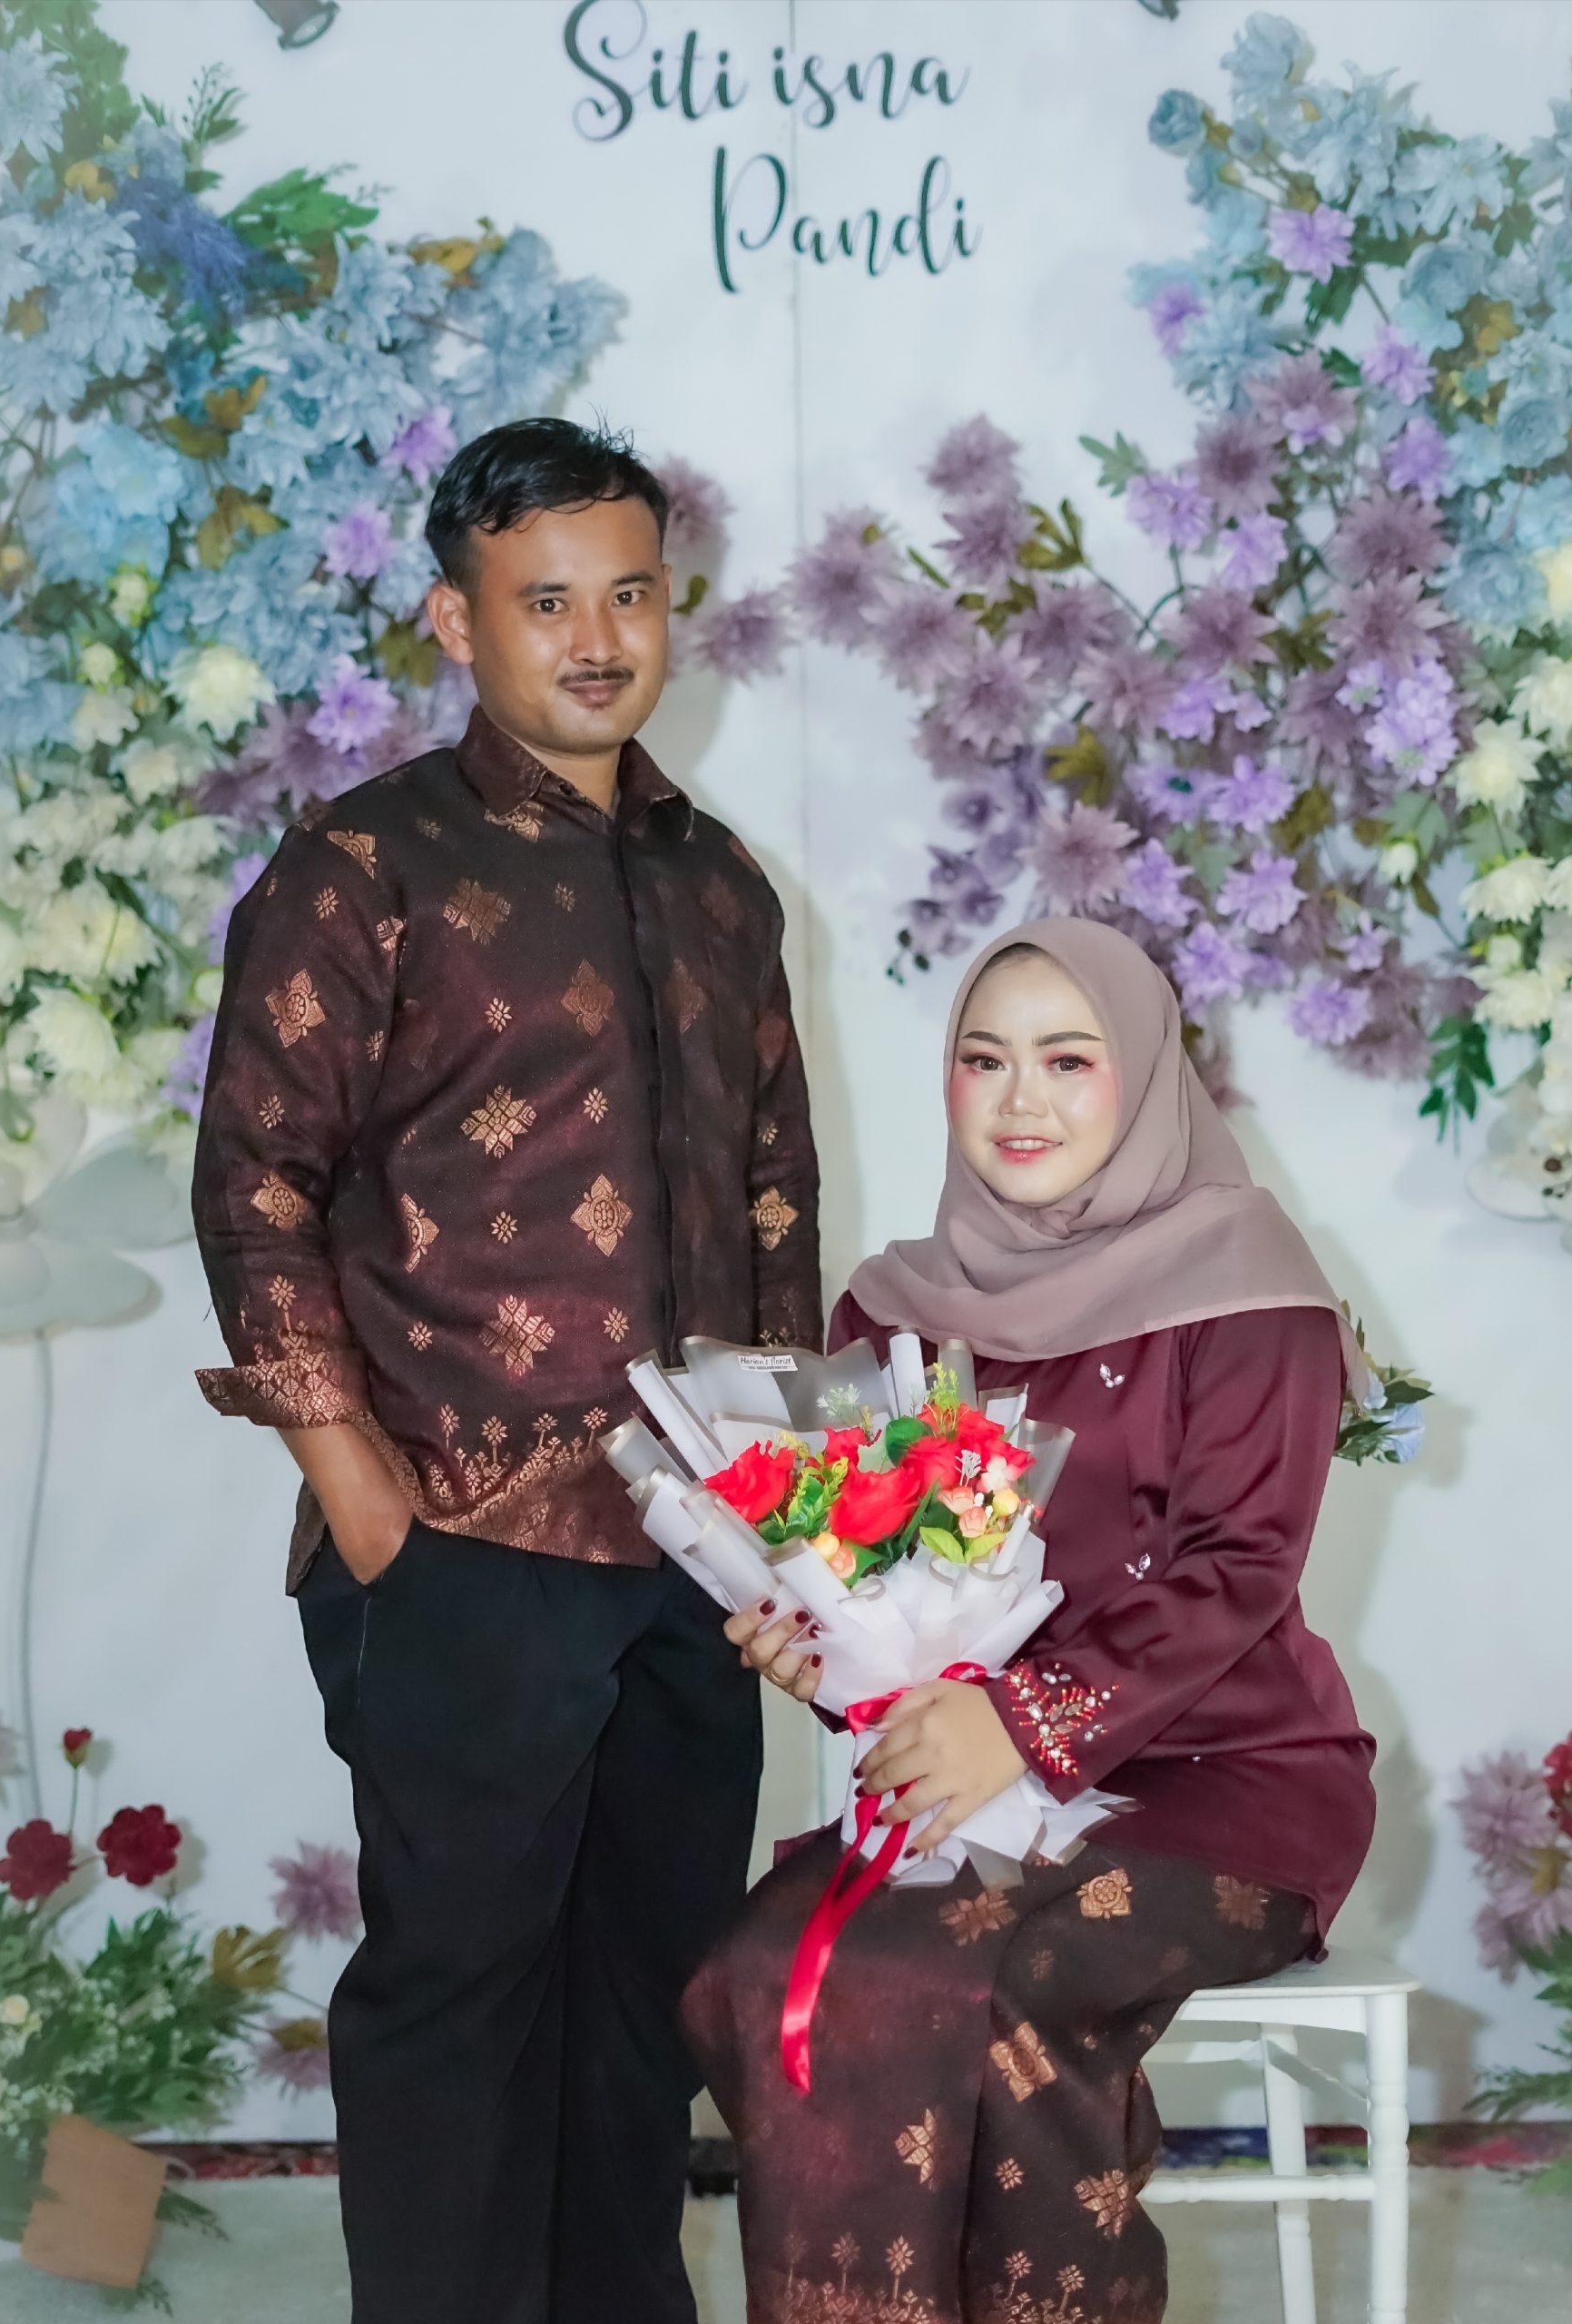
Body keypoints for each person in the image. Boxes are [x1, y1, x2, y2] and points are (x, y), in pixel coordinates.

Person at [190, 418, 821, 2324]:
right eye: (547, 602)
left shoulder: (723, 884)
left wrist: (781, 1514)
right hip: (458, 1536)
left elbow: (773, 1203)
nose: (599, 639)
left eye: (629, 595)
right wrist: (369, 1503)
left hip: (690, 1554)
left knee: (649, 2006)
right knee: (457, 2005)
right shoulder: (364, 862)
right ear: (458, 623)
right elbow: (255, 1185)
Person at [684, 918, 1375, 2324]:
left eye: (1069, 1061)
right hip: (974, 1793)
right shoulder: (892, 1314)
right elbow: (884, 1597)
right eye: (985, 1060)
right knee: (756, 1968)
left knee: (998, 1981)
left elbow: (1239, 1567)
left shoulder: (1250, 1285)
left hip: (1228, 1788)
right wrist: (810, 1647)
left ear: (1148, 1078)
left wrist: (1020, 1721)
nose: (1021, 1099)